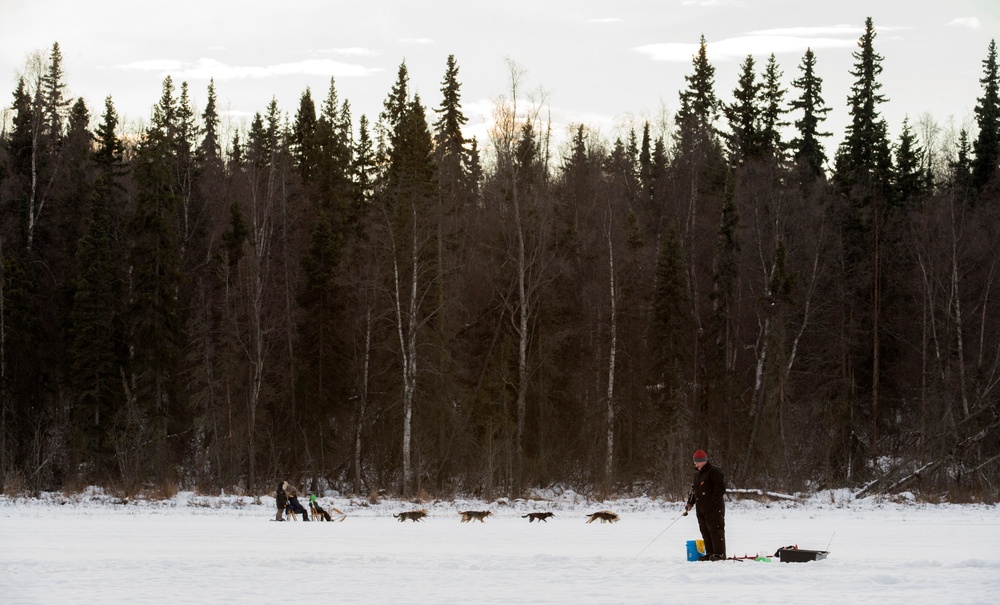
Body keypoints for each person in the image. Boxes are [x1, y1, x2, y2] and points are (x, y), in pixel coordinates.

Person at [684, 449, 726, 560]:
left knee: (715, 530)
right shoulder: (698, 475)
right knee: (705, 531)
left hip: (714, 508)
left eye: (697, 462)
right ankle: (710, 553)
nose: (695, 464)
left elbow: (720, 489)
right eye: (695, 462)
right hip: (701, 509)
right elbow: (694, 491)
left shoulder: (714, 472)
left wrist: (711, 504)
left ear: (703, 461)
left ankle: (719, 554)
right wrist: (690, 503)